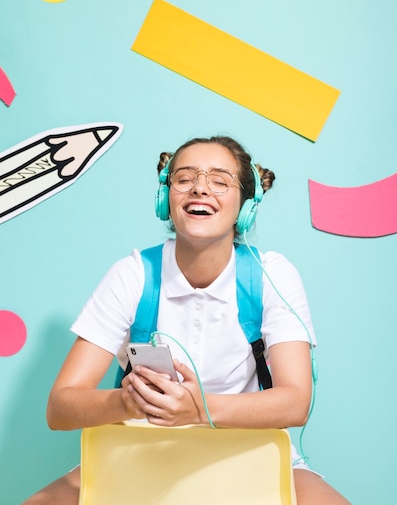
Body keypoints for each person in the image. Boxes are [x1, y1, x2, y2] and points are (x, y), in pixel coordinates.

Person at [23, 135, 350, 505]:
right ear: (166, 198)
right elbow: (60, 408)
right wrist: (126, 404)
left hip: (247, 450)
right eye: (185, 178)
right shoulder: (133, 274)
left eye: (220, 180)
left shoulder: (271, 274)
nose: (200, 188)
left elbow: (295, 402)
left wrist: (201, 409)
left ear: (246, 205)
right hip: (139, 450)